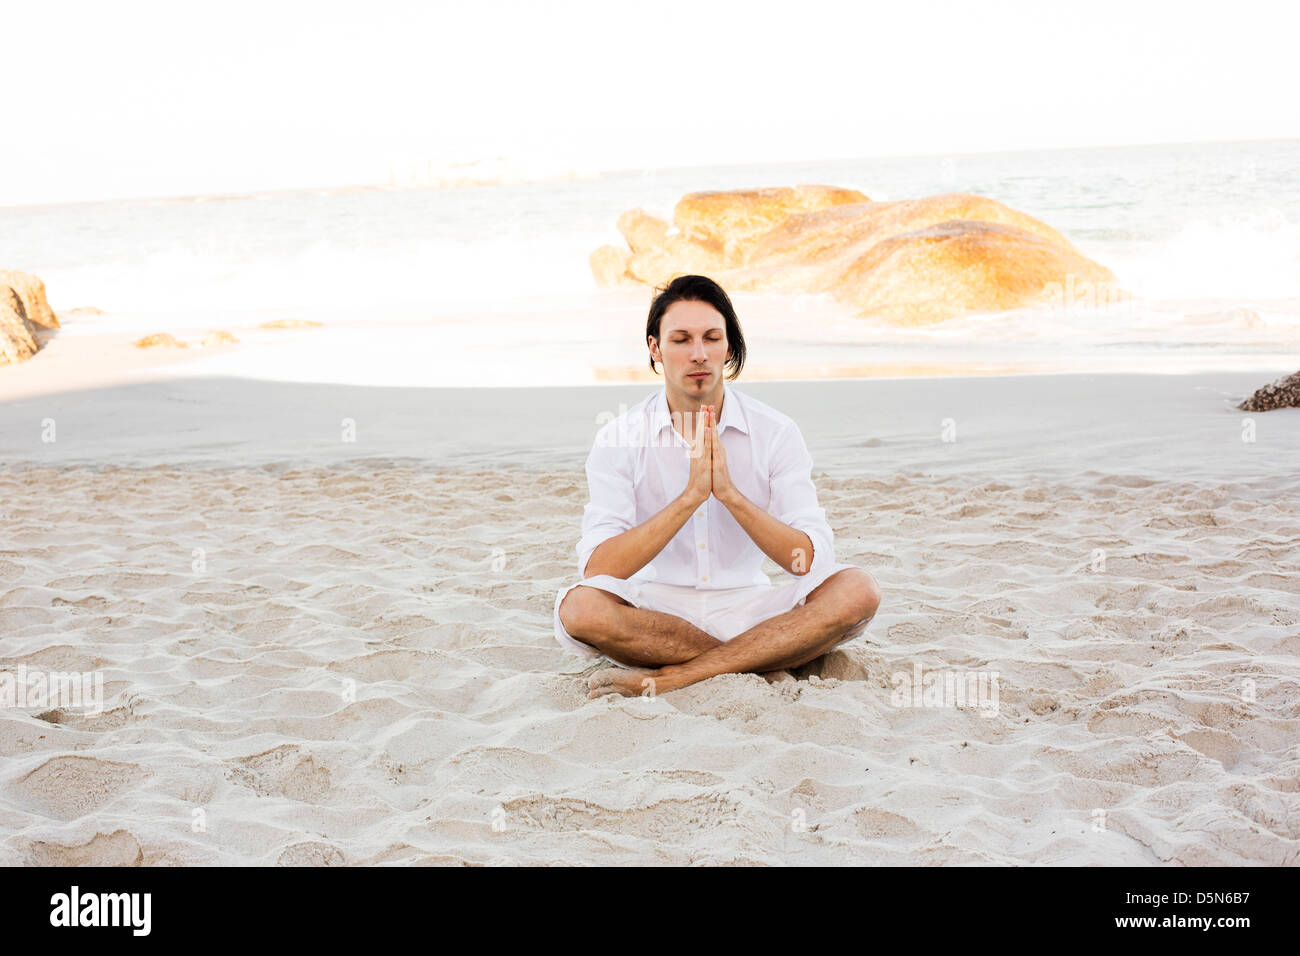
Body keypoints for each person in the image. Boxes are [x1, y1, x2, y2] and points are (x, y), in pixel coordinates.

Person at [554, 274, 881, 699]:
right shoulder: (619, 437)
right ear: (655, 348)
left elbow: (808, 562)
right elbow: (599, 568)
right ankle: (755, 664)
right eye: (681, 339)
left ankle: (679, 676)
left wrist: (729, 495)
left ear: (728, 347)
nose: (698, 354)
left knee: (857, 590)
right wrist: (689, 498)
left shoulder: (775, 432)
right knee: (581, 608)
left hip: (753, 609)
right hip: (656, 614)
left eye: (712, 338)